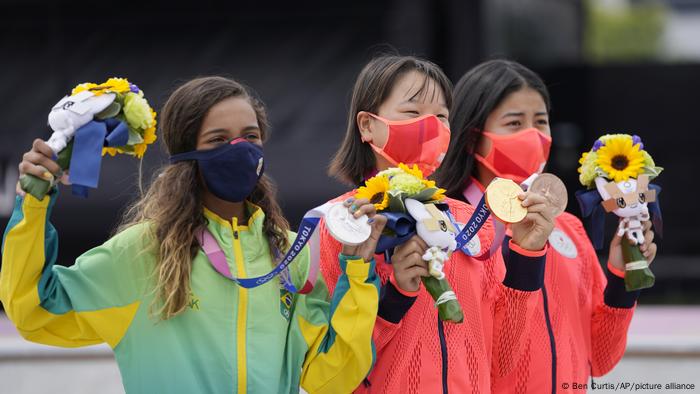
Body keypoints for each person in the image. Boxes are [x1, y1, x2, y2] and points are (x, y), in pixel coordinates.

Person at [0, 76, 387, 394]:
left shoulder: (289, 253)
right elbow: (35, 310)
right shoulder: (142, 253)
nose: (239, 149)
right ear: (186, 153)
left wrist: (357, 270)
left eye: (250, 137)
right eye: (218, 140)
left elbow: (330, 378)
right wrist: (33, 205)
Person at [320, 55, 556, 393]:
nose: (431, 126)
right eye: (413, 113)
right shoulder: (339, 224)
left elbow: (502, 360)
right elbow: (329, 370)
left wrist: (526, 258)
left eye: (442, 116)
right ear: (367, 125)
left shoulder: (471, 224)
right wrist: (395, 298)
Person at [434, 59, 657, 394]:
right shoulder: (451, 233)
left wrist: (622, 279)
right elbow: (474, 358)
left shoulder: (568, 229)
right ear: (471, 139)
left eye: (541, 122)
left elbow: (600, 357)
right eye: (514, 123)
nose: (534, 135)